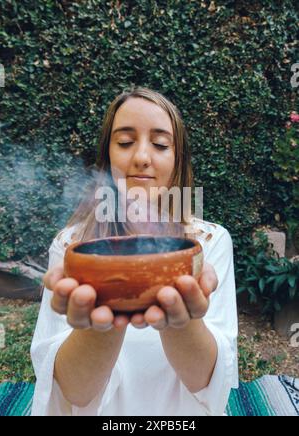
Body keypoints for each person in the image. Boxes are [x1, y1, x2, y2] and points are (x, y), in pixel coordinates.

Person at [30, 87, 238, 416]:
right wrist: (102, 325)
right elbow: (70, 390)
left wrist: (181, 322)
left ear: (177, 158)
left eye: (160, 144)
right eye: (125, 142)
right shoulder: (72, 246)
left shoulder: (209, 243)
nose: (142, 156)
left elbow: (209, 382)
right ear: (107, 155)